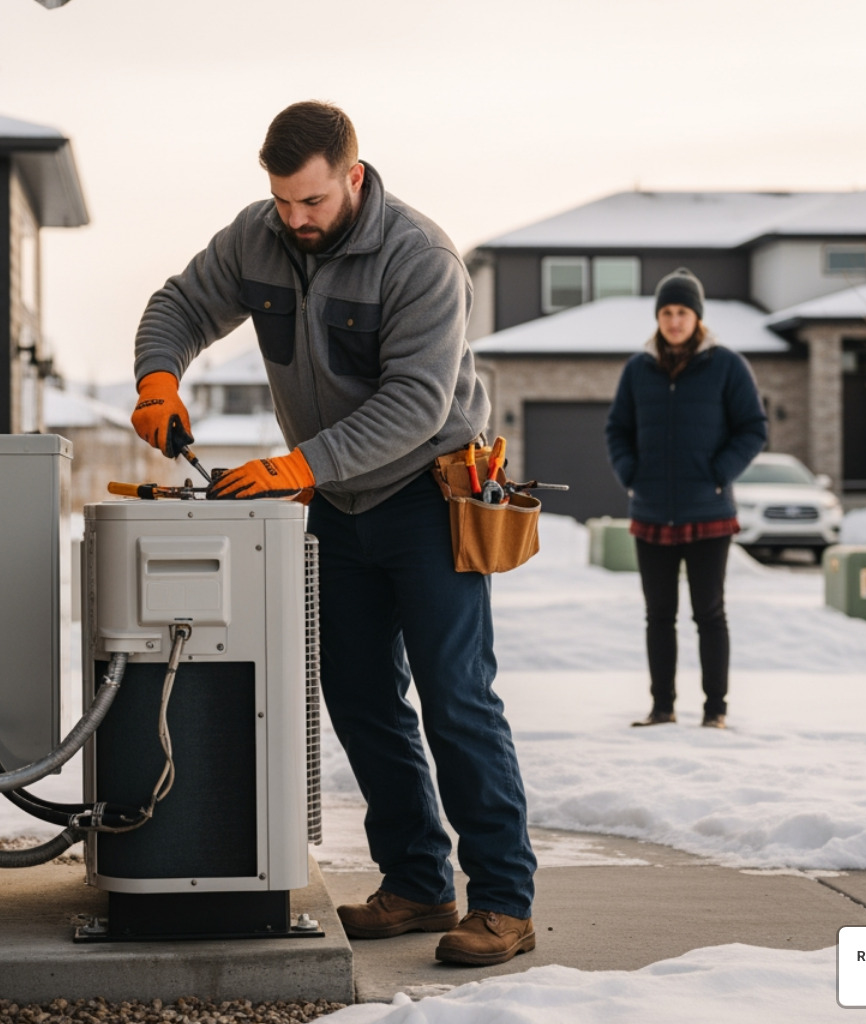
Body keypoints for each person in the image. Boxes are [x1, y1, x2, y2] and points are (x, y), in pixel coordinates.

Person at [129, 101, 537, 966]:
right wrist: (158, 378)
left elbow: (416, 403)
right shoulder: (259, 236)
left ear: (353, 177)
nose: (294, 218)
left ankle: (505, 901)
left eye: (311, 201)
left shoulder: (420, 258)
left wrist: (297, 464)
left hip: (429, 498)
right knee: (359, 696)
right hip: (338, 507)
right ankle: (420, 882)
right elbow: (182, 303)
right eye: (282, 201)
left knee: (457, 699)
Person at [604, 268, 767, 730]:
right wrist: (631, 475)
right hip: (651, 511)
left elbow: (753, 428)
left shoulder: (727, 365)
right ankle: (662, 707)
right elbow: (617, 429)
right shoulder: (638, 369)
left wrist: (719, 473)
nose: (674, 321)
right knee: (659, 615)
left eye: (683, 312)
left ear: (697, 317)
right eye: (667, 312)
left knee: (709, 614)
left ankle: (715, 710)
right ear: (658, 317)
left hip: (708, 511)